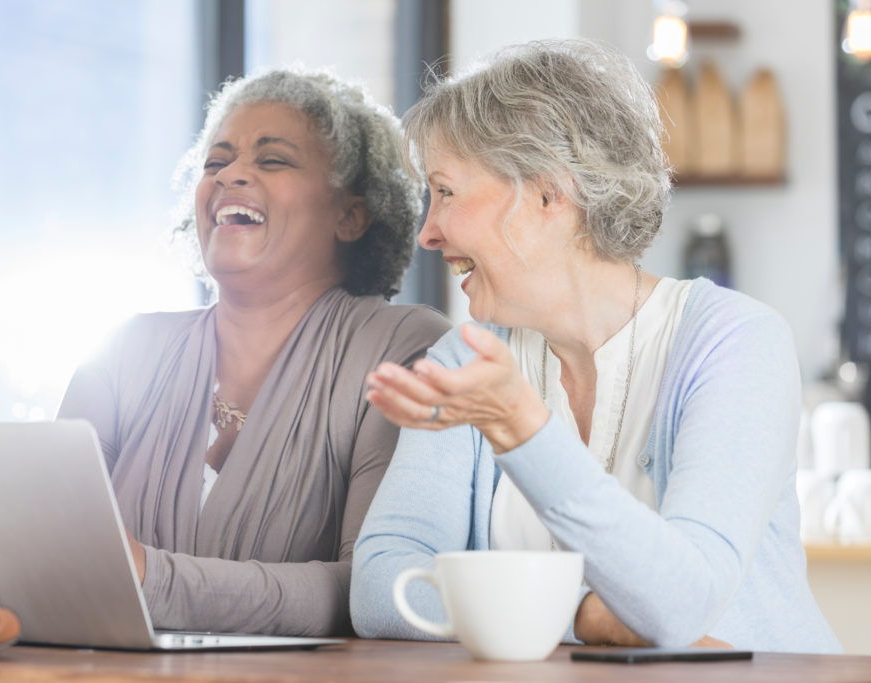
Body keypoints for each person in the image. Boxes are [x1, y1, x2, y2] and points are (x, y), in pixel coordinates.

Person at [350, 39, 841, 653]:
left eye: (446, 192)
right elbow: (380, 587)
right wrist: (583, 619)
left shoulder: (736, 342)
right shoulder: (465, 361)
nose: (427, 232)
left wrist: (522, 428)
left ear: (550, 194)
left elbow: (681, 605)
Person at [55, 68, 450, 636]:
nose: (230, 175)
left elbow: (376, 589)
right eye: (215, 163)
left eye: (273, 161)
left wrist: (149, 577)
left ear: (351, 214)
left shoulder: (402, 347)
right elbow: (61, 556)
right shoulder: (126, 349)